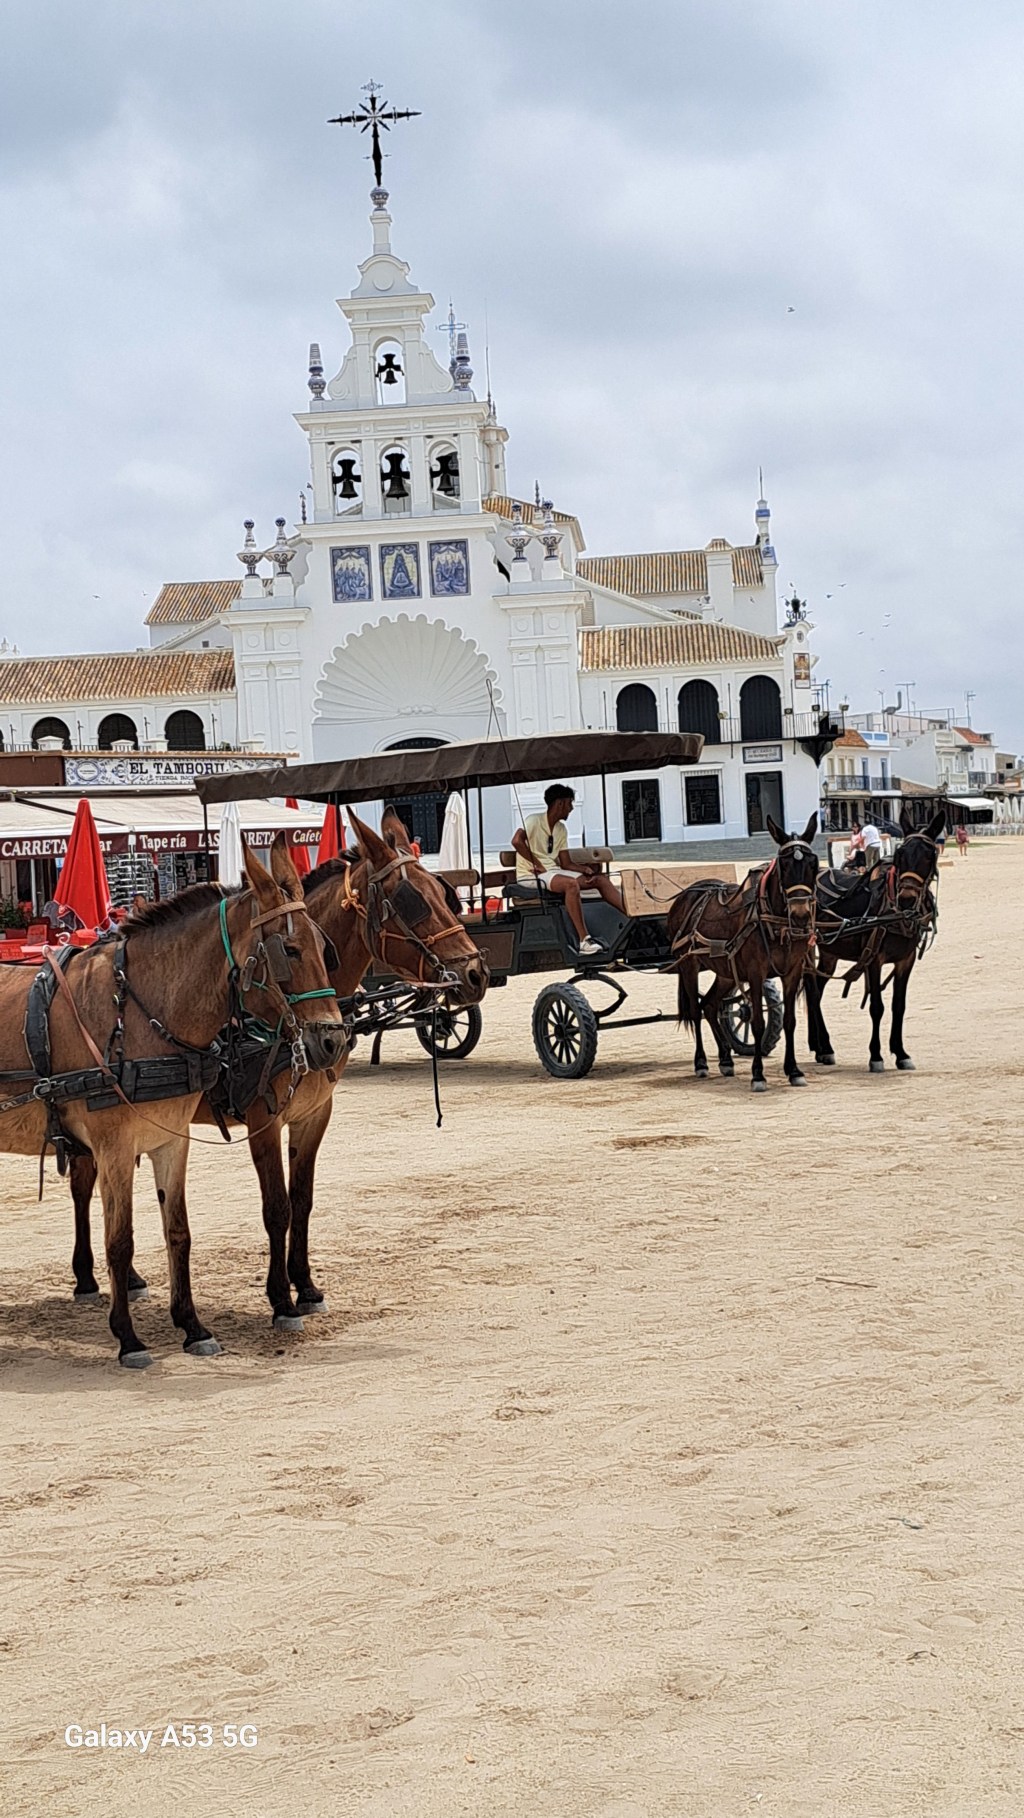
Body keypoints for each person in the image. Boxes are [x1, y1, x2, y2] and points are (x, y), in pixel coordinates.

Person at [512, 784, 624, 958]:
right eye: (570, 803)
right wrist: (536, 863)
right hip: (531, 875)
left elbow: (566, 863)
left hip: (552, 873)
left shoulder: (561, 829)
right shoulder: (533, 820)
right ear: (560, 804)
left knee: (599, 880)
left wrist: (584, 869)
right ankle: (584, 941)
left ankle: (631, 914)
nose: (571, 808)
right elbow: (517, 841)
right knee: (571, 885)